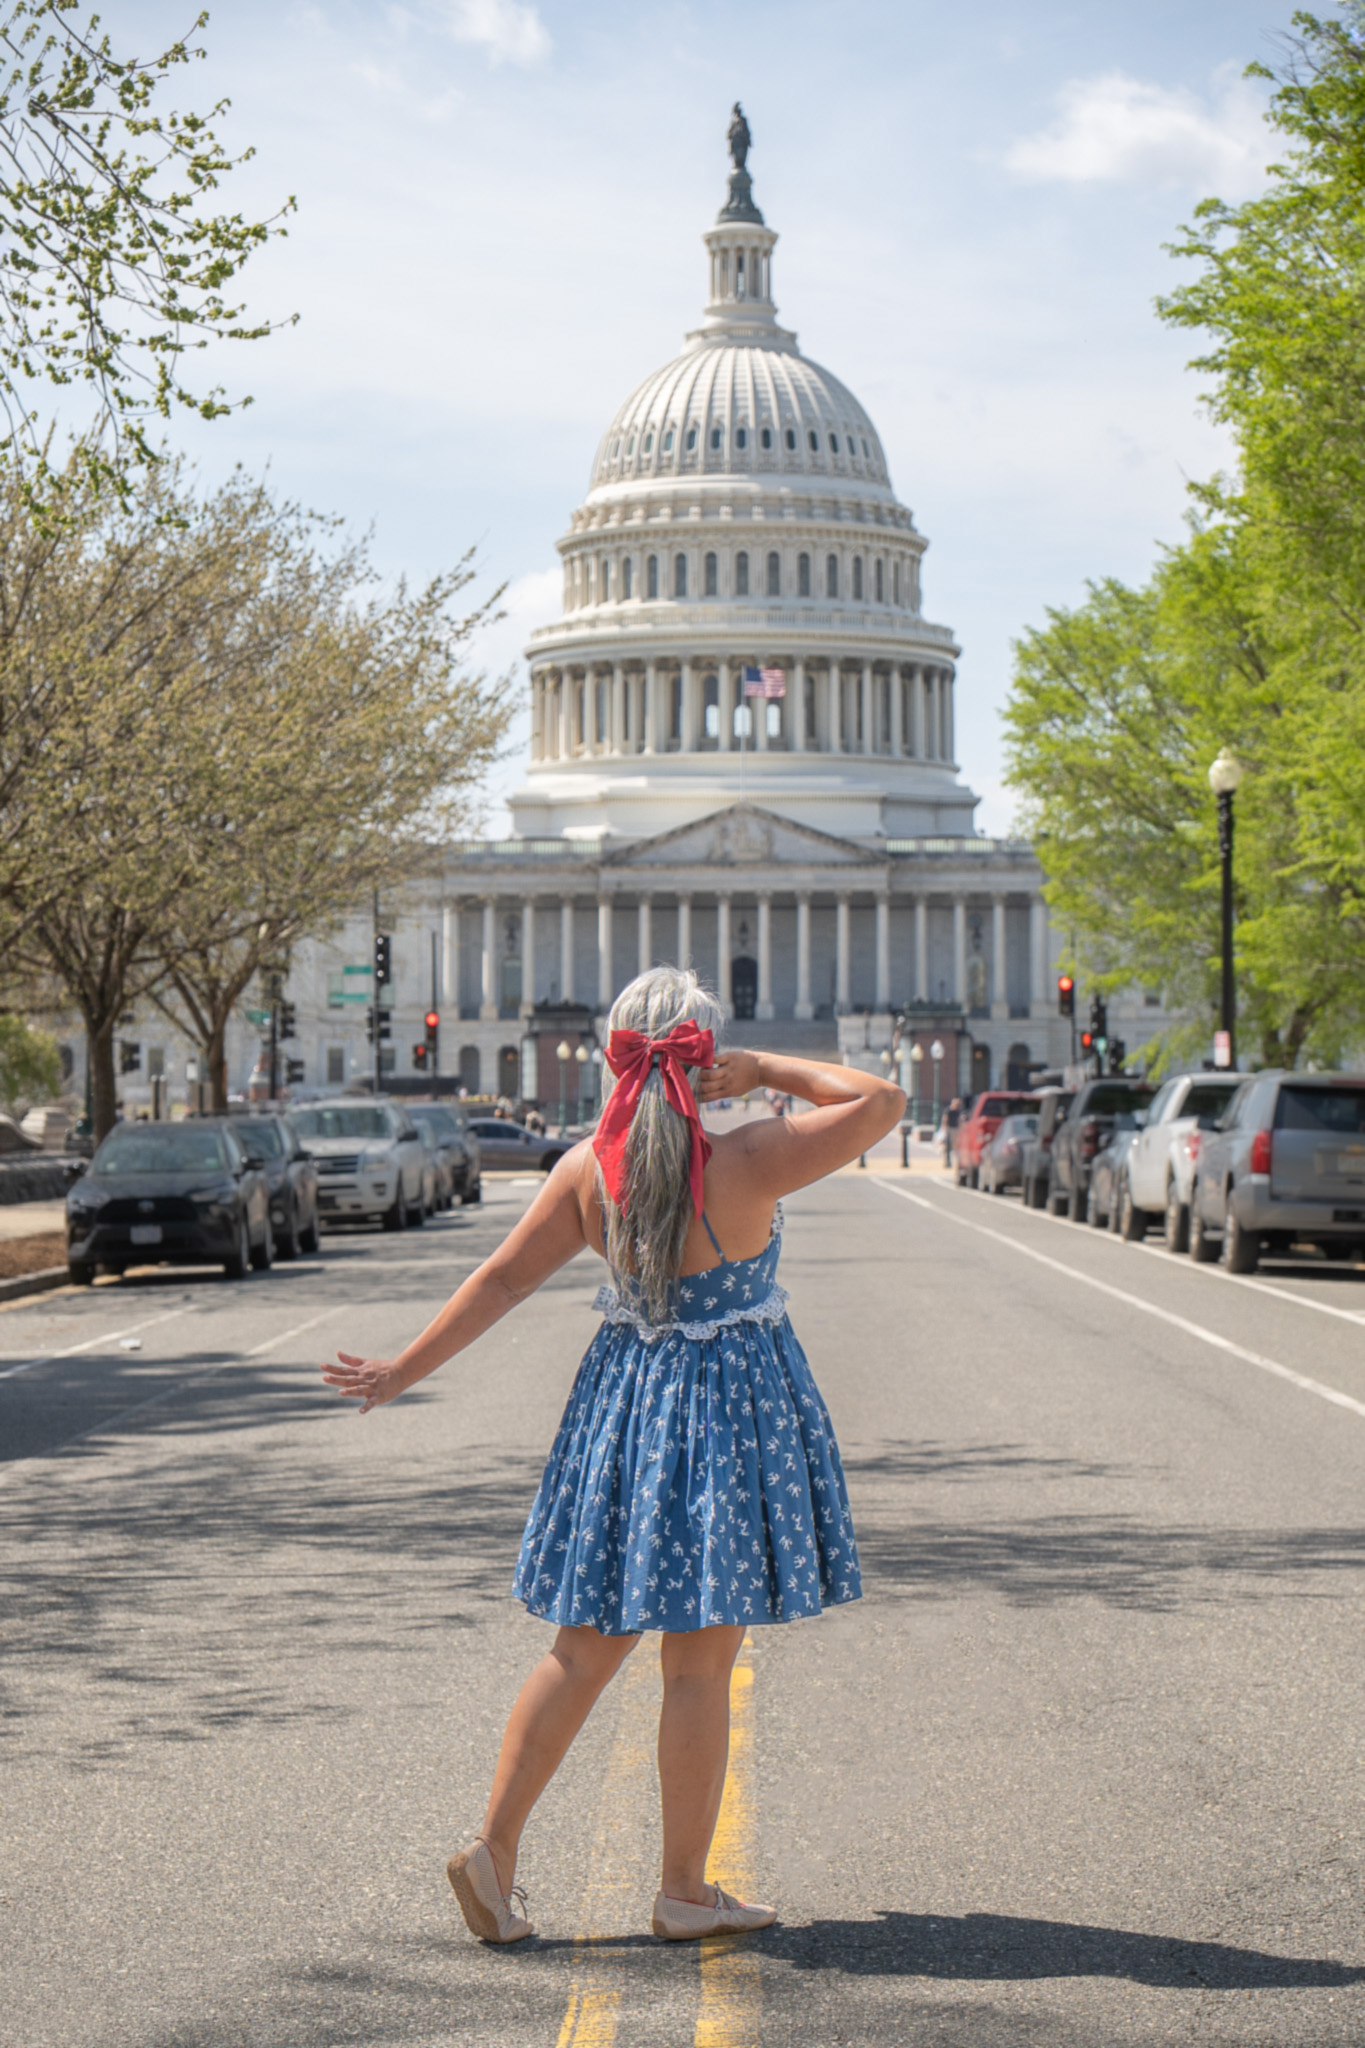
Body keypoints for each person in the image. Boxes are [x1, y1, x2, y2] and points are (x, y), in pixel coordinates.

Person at [320, 966, 904, 1947]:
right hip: (724, 1418)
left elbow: (501, 1280)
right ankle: (683, 1889)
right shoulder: (751, 1156)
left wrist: (399, 1371)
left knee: (582, 1646)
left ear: (615, 1056)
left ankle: (493, 1850)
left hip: (625, 1411)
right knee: (699, 1664)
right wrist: (762, 1068)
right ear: (703, 1057)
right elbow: (880, 1099)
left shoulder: (588, 1170)